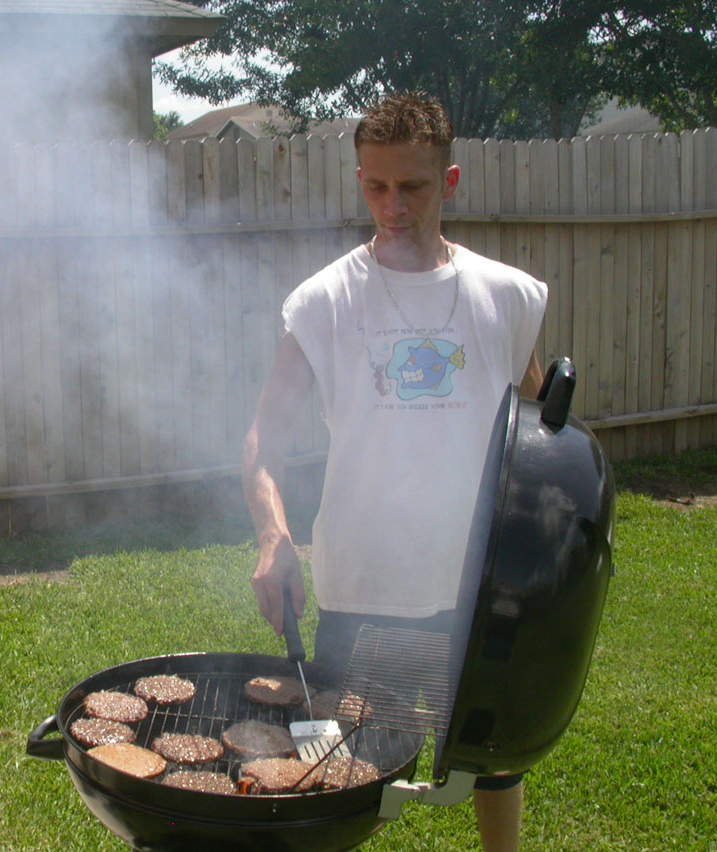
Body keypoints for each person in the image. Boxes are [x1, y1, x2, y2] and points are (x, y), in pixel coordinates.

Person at [242, 91, 546, 852]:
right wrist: (273, 535)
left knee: (491, 764)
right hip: (363, 581)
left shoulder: (505, 298)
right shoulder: (324, 301)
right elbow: (262, 438)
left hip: (474, 586)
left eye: (410, 186)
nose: (391, 205)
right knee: (336, 766)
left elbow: (539, 433)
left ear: (448, 181)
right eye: (374, 186)